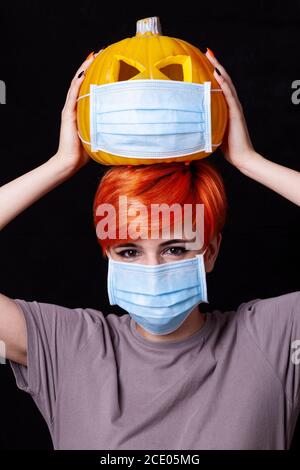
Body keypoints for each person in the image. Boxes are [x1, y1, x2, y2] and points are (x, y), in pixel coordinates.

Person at [0, 48, 299, 450]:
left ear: (209, 252)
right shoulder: (66, 346)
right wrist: (61, 163)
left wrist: (249, 161)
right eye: (128, 251)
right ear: (107, 254)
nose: (153, 266)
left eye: (175, 249)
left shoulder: (274, 338)